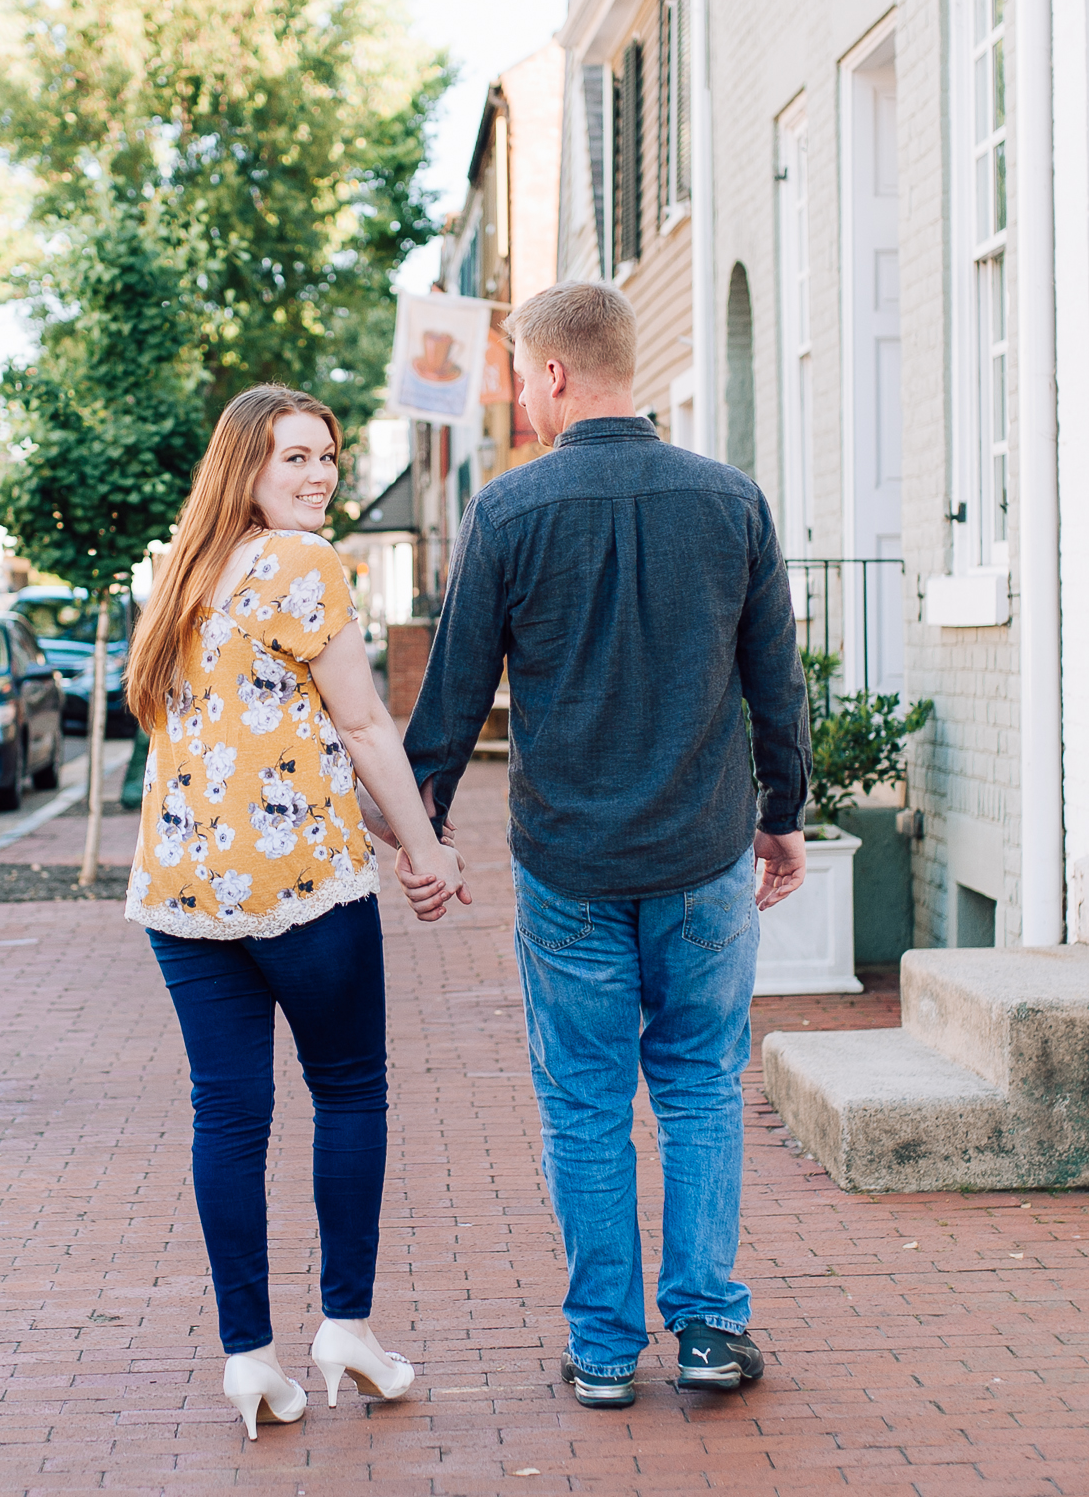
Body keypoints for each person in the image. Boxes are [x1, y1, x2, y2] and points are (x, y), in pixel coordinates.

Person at [398, 282, 810, 1408]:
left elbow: (454, 688)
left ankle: (603, 1348)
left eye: (522, 375)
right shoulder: (732, 502)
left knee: (583, 1102)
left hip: (571, 862)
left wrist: (422, 825)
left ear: (557, 375)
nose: (521, 395)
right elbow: (777, 677)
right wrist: (784, 812)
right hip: (704, 850)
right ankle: (712, 1329)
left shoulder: (509, 510)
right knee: (699, 1089)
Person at [124, 384, 467, 1438]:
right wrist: (427, 851)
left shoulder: (178, 573)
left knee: (227, 1115)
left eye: (326, 457)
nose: (319, 476)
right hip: (301, 890)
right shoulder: (305, 565)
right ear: (249, 470)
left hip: (183, 895)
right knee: (349, 1091)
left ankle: (249, 1358)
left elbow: (257, 738)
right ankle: (346, 1328)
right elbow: (362, 726)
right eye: (295, 459)